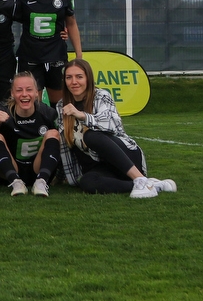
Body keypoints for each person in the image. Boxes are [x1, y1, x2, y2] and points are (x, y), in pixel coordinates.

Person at [57, 59, 176, 198]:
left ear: (88, 78)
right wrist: (61, 176)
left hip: (126, 156)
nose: (74, 82)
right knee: (87, 182)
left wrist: (82, 115)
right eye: (69, 77)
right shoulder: (62, 106)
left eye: (79, 77)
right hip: (103, 165)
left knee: (91, 136)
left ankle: (139, 179)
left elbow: (112, 123)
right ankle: (151, 185)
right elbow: (65, 144)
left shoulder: (101, 96)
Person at [9, 0, 82, 104]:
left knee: (60, 105)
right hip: (29, 56)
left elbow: (71, 23)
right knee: (32, 104)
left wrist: (79, 56)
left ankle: (60, 129)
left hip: (56, 55)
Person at [0, 72, 62, 197]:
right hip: (10, 172)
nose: (24, 94)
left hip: (38, 169)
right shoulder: (3, 111)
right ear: (12, 94)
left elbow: (65, 142)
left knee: (54, 134)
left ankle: (41, 182)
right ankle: (15, 182)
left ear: (36, 92)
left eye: (29, 90)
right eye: (19, 90)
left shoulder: (47, 113)